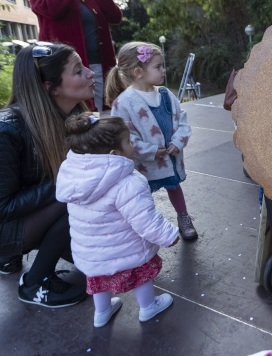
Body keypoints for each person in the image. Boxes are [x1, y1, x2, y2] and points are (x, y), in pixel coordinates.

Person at [0, 43, 94, 308]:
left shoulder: (74, 116)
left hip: (12, 214)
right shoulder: (1, 130)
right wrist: (68, 182)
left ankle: (12, 253)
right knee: (76, 197)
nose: (90, 74)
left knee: (92, 252)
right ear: (52, 87)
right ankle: (35, 282)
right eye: (78, 71)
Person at [56, 113, 180, 327]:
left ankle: (102, 313)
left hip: (91, 253)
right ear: (114, 153)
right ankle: (148, 307)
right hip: (125, 249)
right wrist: (169, 235)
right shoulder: (127, 182)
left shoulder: (72, 178)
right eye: (129, 141)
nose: (132, 144)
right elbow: (146, 220)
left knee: (98, 282)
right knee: (140, 275)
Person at [106, 42, 197, 240]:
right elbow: (124, 137)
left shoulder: (166, 95)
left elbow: (183, 122)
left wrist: (178, 141)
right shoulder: (123, 103)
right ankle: (143, 225)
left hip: (170, 158)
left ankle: (183, 217)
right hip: (144, 164)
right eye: (158, 66)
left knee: (174, 187)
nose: (164, 70)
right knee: (141, 194)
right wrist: (149, 150)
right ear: (138, 71)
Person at [29, 0, 123, 111]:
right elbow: (49, 10)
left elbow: (116, 17)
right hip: (64, 67)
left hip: (97, 64)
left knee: (100, 110)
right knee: (70, 112)